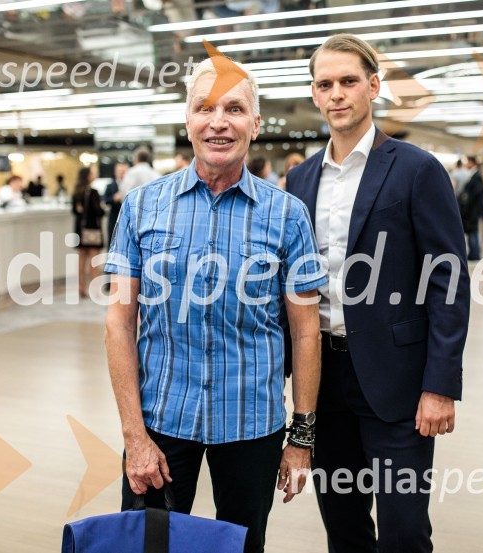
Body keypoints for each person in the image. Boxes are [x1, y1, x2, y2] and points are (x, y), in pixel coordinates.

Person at [103, 57, 326, 553]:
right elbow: (119, 323)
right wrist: (133, 436)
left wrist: (301, 438)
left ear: (255, 124)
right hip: (160, 421)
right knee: (146, 546)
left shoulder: (288, 215)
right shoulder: (142, 206)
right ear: (188, 120)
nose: (219, 121)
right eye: (205, 108)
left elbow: (306, 332)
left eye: (235, 108)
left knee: (243, 547)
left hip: (251, 423)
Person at [285, 34, 470, 553]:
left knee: (404, 530)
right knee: (343, 527)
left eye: (348, 81)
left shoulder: (415, 169)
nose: (337, 93)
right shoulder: (299, 179)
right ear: (315, 95)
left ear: (373, 86)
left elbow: (448, 279)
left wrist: (441, 384)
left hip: (398, 382)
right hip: (323, 378)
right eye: (325, 84)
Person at [71, 166, 104, 298]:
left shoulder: (76, 192)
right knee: (94, 261)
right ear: (88, 176)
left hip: (80, 229)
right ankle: (95, 289)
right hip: (92, 229)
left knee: (81, 259)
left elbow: (74, 211)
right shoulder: (93, 192)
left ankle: (81, 288)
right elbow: (98, 211)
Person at [459, 154, 483, 261]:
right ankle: (473, 253)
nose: (466, 164)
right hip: (472, 209)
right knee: (472, 231)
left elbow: (476, 193)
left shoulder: (477, 176)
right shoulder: (473, 175)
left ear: (472, 162)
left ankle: (475, 254)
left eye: (468, 162)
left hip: (473, 209)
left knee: (473, 231)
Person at [104, 162, 128, 248]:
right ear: (115, 172)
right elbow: (105, 200)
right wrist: (114, 198)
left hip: (127, 220)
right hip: (114, 219)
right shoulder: (110, 185)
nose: (122, 173)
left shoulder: (130, 185)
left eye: (124, 171)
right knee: (112, 244)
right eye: (120, 171)